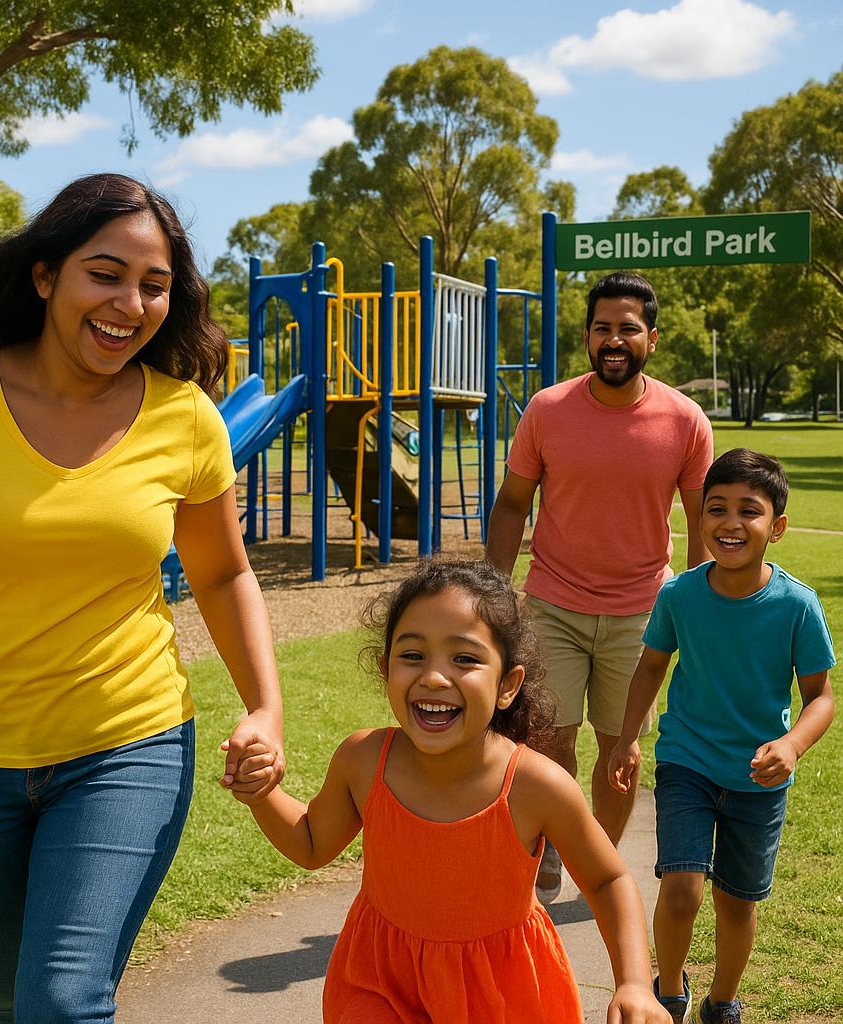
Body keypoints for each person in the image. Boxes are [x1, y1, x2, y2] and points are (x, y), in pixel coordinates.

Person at [0, 174, 285, 1024]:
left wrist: (266, 707)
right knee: (7, 1005)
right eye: (104, 274)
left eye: (154, 286)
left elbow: (223, 575)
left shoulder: (186, 418)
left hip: (126, 747)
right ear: (45, 278)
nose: (130, 304)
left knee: (63, 1004)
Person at [224, 559, 670, 1024]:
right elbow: (312, 842)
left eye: (465, 659)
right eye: (413, 656)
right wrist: (263, 794)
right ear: (386, 669)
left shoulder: (536, 786)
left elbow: (607, 879)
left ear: (507, 685)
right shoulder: (363, 761)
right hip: (380, 984)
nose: (435, 677)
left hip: (503, 993)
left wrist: (635, 983)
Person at [486, 271, 714, 901]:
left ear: (652, 338)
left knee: (622, 752)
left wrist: (697, 608)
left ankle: (598, 865)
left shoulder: (685, 420)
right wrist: (492, 593)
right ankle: (553, 852)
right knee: (548, 737)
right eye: (603, 329)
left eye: (628, 329)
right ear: (587, 337)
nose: (614, 341)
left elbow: (698, 518)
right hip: (553, 601)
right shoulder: (549, 409)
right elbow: (512, 505)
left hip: (644, 611)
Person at [608, 449, 835, 1024]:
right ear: (698, 518)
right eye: (716, 509)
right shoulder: (679, 595)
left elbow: (821, 698)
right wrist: (627, 737)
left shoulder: (797, 605)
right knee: (681, 887)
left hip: (758, 776)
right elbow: (651, 667)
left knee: (736, 903)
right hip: (686, 760)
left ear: (776, 527)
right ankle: (668, 992)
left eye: (749, 511)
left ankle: (722, 1001)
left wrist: (791, 746)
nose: (730, 523)